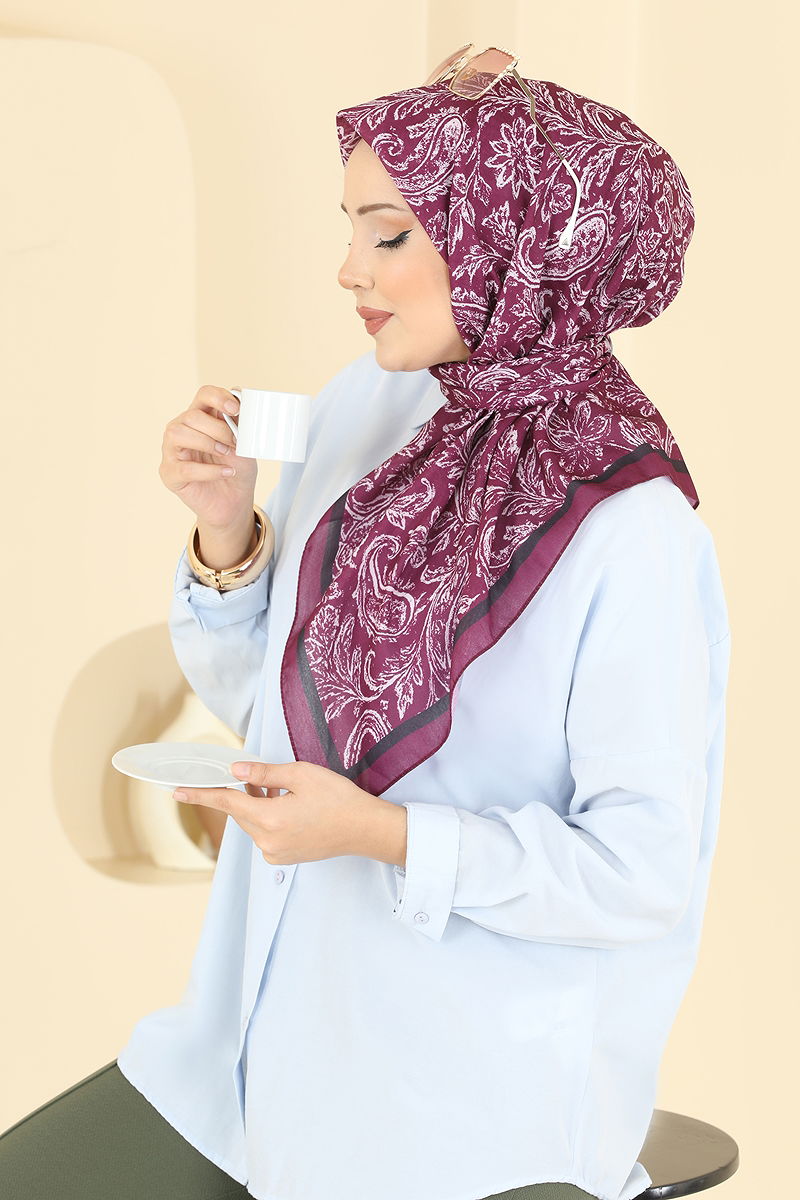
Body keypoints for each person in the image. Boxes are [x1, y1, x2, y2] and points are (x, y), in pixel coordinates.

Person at [0, 56, 730, 1200]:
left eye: (388, 235)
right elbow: (279, 705)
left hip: (461, 1111)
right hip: (248, 1046)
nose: (347, 270)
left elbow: (638, 873)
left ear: (510, 244)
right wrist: (227, 530)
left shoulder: (629, 529)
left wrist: (383, 836)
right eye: (349, 229)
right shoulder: (374, 405)